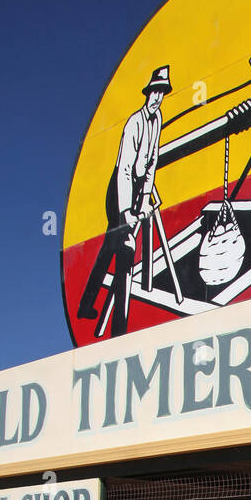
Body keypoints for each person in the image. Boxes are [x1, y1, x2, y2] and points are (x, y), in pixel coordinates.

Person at [77, 66, 172, 337]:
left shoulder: (157, 120)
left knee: (109, 246)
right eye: (154, 91)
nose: (157, 97)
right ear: (147, 92)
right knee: (126, 251)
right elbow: (126, 169)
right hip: (119, 189)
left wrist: (144, 199)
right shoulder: (135, 123)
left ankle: (86, 304)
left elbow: (151, 163)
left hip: (137, 187)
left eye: (162, 92)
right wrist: (126, 210)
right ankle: (120, 330)